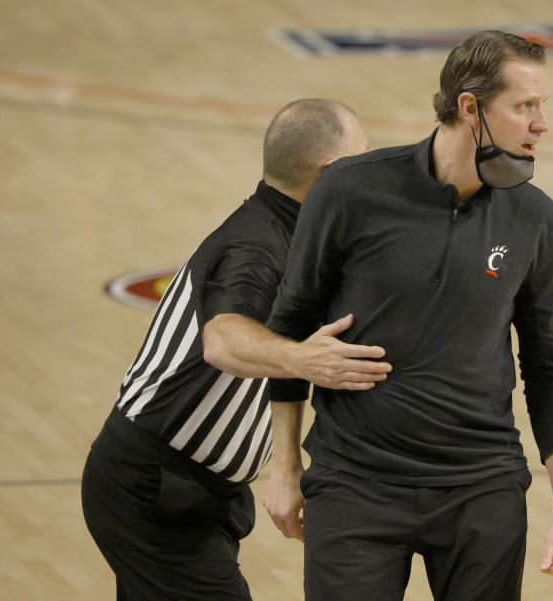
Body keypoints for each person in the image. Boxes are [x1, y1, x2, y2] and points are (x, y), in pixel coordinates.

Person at [264, 31, 553, 601]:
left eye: (543, 108)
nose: (542, 125)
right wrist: (284, 466)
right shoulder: (349, 190)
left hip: (481, 487)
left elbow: (549, 364)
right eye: (524, 107)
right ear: (470, 107)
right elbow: (292, 326)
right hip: (354, 483)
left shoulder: (533, 217)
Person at [81, 98, 392, 601]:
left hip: (198, 493)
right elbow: (222, 339)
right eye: (362, 159)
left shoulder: (294, 234)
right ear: (331, 172)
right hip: (153, 489)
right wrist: (302, 359)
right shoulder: (255, 245)